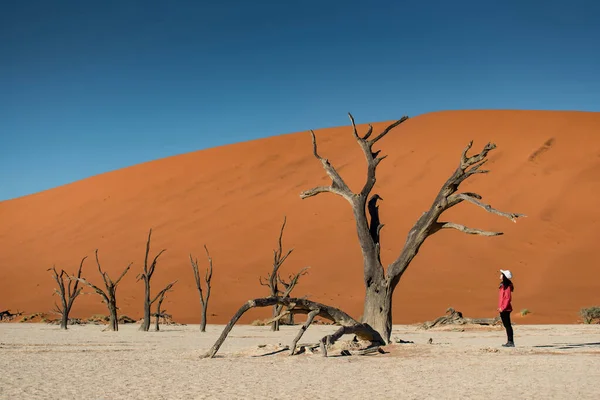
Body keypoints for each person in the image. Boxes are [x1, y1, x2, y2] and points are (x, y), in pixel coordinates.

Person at [498, 269, 515, 347]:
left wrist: (503, 308)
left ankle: (510, 342)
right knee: (506, 325)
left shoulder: (507, 286)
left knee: (508, 325)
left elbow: (507, 298)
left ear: (504, 276)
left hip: (506, 309)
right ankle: (509, 341)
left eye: (502, 274)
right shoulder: (503, 285)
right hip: (503, 308)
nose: (500, 275)